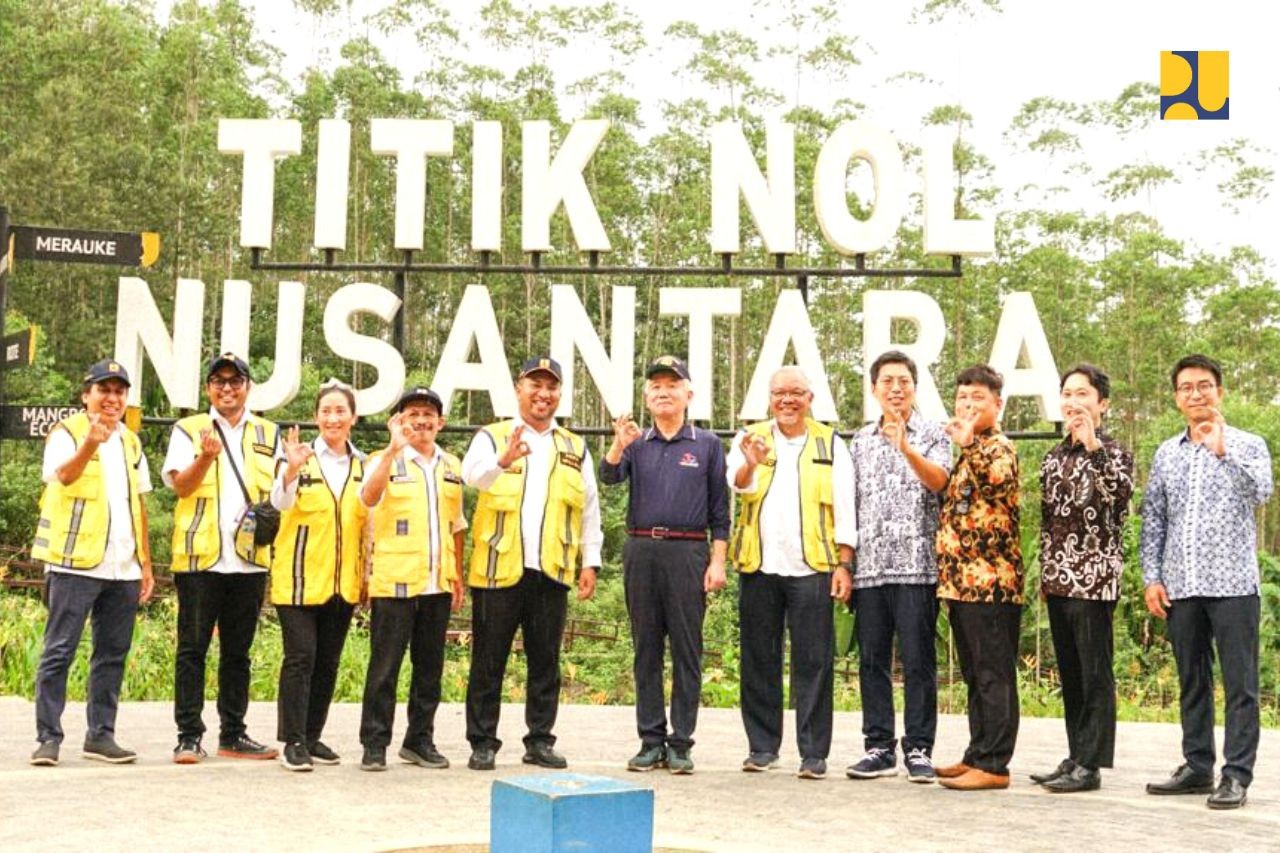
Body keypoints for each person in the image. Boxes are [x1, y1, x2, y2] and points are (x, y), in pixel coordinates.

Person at [1141, 353, 1273, 810]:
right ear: (1177, 397)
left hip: (1234, 586)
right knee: (1191, 680)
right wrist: (1152, 576)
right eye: (1186, 388)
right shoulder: (1166, 453)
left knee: (1241, 686)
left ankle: (1236, 775)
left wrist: (1223, 450)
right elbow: (1154, 519)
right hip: (1182, 587)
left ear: (1219, 391)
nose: (1195, 394)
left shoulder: (1248, 443)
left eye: (1204, 386)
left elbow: (1260, 493)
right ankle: (1198, 766)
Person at [461, 356, 603, 771]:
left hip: (552, 568)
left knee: (546, 661)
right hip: (497, 567)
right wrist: (502, 460)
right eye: (534, 385)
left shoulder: (574, 446)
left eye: (551, 387)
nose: (543, 394)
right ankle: (482, 740)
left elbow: (588, 508)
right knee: (489, 659)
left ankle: (540, 739)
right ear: (518, 388)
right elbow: (473, 476)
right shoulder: (492, 435)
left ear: (560, 394)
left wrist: (590, 562)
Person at [599, 356, 730, 775]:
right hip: (642, 550)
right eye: (655, 385)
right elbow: (609, 476)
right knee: (646, 649)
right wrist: (619, 442)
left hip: (688, 552)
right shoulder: (637, 444)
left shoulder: (707, 444)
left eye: (672, 384)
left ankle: (681, 742)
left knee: (687, 650)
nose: (663, 391)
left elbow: (720, 512)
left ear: (688, 394)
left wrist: (718, 562)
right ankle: (650, 740)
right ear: (646, 396)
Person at [726, 365, 854, 780]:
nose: (787, 400)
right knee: (759, 658)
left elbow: (847, 506)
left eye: (796, 393)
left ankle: (814, 753)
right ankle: (762, 747)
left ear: (810, 399)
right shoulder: (751, 438)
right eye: (780, 393)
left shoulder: (830, 443)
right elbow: (738, 486)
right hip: (759, 565)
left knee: (814, 662)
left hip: (814, 568)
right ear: (769, 397)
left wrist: (844, 562)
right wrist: (749, 464)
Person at [29, 359, 155, 766]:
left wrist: (146, 565)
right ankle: (48, 737)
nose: (112, 398)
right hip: (74, 563)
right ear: (87, 395)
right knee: (59, 650)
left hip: (122, 567)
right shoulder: (67, 433)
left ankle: (101, 735)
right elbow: (63, 476)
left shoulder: (132, 443)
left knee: (112, 652)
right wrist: (91, 444)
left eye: (119, 391)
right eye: (104, 390)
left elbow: (140, 503)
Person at [163, 352, 281, 763]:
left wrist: (293, 473)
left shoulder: (270, 432)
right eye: (219, 381)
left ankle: (233, 734)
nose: (227, 388)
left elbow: (279, 499)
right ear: (208, 388)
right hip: (201, 561)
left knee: (238, 652)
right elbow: (180, 487)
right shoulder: (188, 429)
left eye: (235, 381)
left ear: (248, 386)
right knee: (192, 649)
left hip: (249, 561)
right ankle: (188, 735)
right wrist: (206, 457)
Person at [844, 351, 949, 783]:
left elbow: (940, 481)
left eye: (903, 381)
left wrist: (904, 445)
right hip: (870, 571)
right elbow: (850, 506)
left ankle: (919, 748)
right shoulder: (859, 441)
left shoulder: (934, 434)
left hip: (918, 569)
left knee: (919, 661)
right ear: (874, 389)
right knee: (872, 662)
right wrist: (845, 565)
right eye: (887, 381)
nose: (896, 388)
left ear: (915, 387)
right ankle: (879, 746)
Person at [1032, 364, 1134, 793]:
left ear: (1102, 404)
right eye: (1068, 394)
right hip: (1058, 578)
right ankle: (1075, 754)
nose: (1074, 402)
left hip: (1094, 579)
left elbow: (1120, 499)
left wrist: (1093, 446)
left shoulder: (1115, 452)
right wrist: (1044, 570)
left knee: (1095, 674)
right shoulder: (1053, 457)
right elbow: (1047, 520)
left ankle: (1091, 765)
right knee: (1070, 674)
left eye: (1084, 395)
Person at [358, 386, 467, 772]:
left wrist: (459, 576)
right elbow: (368, 499)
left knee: (429, 668)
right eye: (412, 414)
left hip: (437, 583)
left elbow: (457, 525)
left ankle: (419, 740)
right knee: (385, 667)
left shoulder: (451, 465)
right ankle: (374, 744)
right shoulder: (382, 459)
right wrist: (392, 449)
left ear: (441, 422)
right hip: (394, 582)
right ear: (399, 420)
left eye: (428, 414)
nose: (421, 421)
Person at [269, 380, 367, 771]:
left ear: (353, 418)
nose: (333, 418)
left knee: (328, 660)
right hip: (297, 580)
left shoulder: (361, 465)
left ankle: (312, 735)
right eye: (326, 411)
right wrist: (290, 471)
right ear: (316, 417)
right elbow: (279, 502)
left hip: (341, 581)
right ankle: (292, 740)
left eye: (340, 411)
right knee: (301, 658)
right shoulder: (298, 457)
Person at [934, 364, 1023, 792]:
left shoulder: (998, 448)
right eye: (963, 399)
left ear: (997, 404)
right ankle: (977, 752)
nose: (968, 406)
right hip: (961, 585)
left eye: (978, 399)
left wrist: (969, 444)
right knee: (975, 674)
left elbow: (996, 482)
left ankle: (995, 764)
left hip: (991, 584)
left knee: (993, 675)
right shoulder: (971, 450)